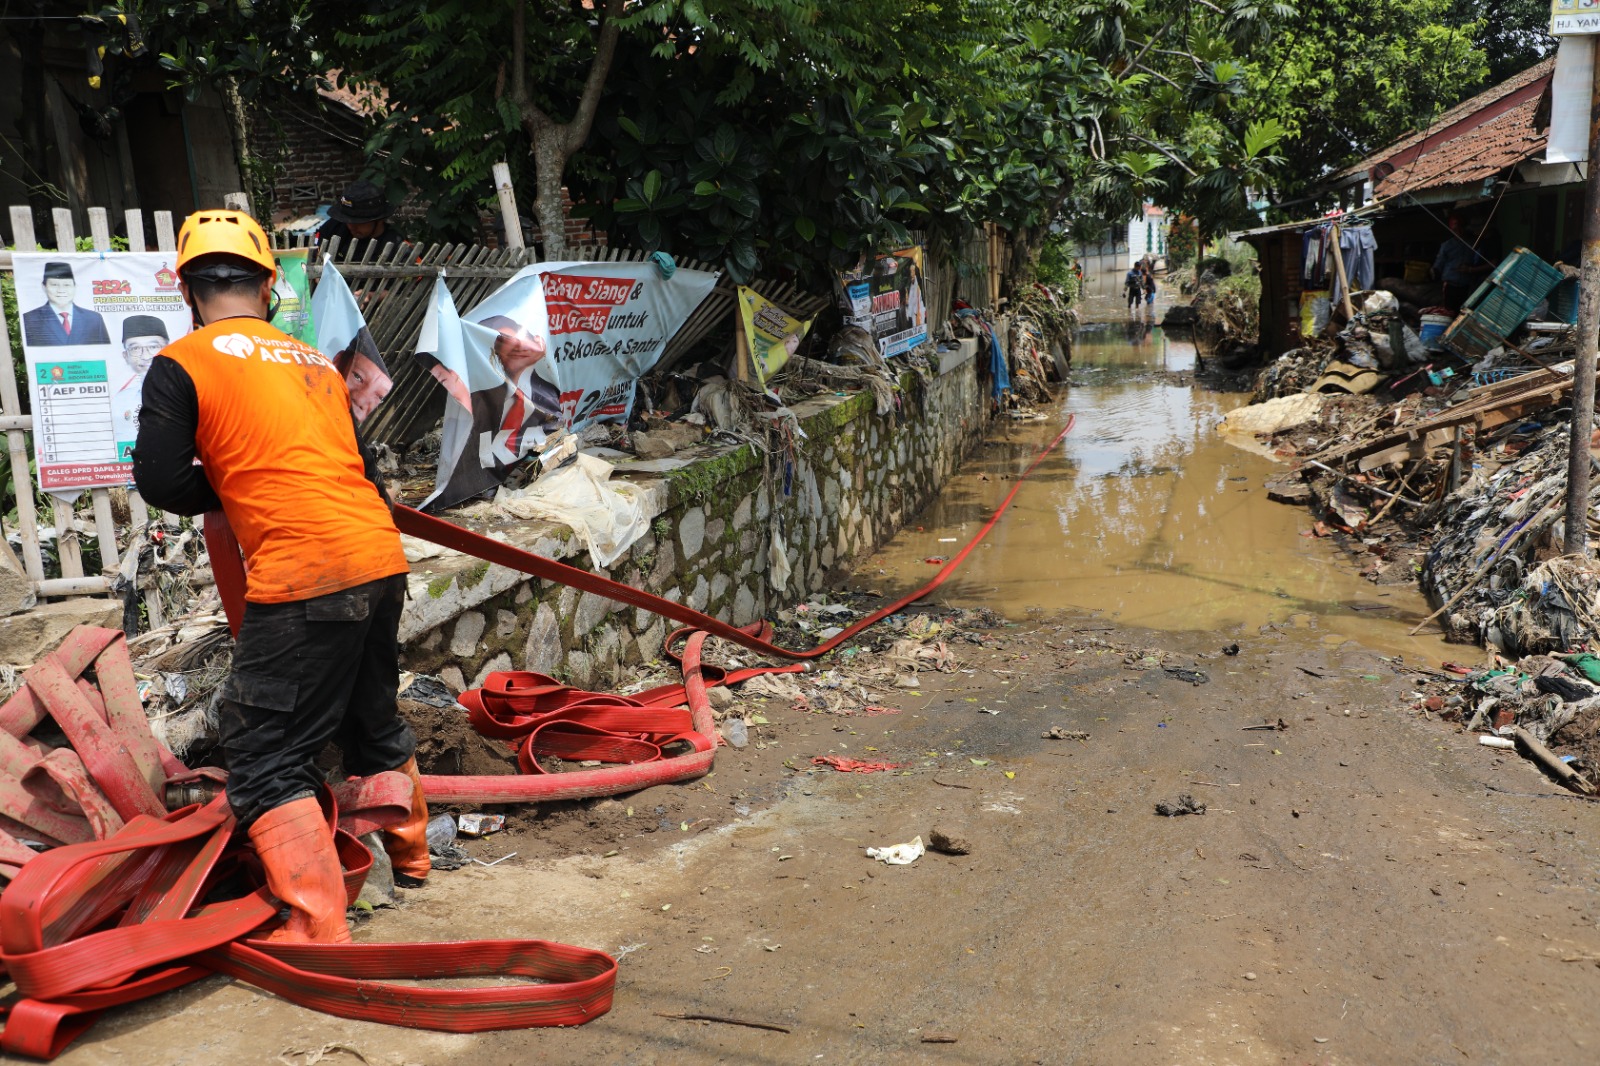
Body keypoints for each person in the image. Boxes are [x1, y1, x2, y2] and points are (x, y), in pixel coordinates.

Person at [131, 209, 430, 944]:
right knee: (370, 717)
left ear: (188, 290)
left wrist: (235, 488)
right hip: (378, 555)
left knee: (264, 753)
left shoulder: (184, 363)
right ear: (268, 284)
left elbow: (163, 480)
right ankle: (413, 857)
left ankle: (317, 924)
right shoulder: (315, 365)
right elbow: (356, 467)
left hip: (304, 574)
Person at [111, 315, 167, 456]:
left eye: (153, 347)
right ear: (126, 356)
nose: (145, 355)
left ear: (169, 349)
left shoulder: (189, 391)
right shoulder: (119, 400)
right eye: (135, 348)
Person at [22, 261, 111, 346]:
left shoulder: (94, 319)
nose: (61, 290)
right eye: (54, 285)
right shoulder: (29, 319)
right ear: (44, 287)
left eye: (67, 285)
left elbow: (105, 352)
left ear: (75, 287)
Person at [316, 180, 408, 258]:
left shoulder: (396, 245)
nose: (351, 226)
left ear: (379, 220)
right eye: (347, 220)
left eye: (359, 222)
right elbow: (313, 257)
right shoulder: (333, 229)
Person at [1432, 213, 1497, 311]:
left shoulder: (1474, 243)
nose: (1458, 231)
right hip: (1450, 285)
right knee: (1449, 311)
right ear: (1451, 229)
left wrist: (1470, 269)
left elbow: (1486, 261)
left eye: (1460, 227)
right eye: (1455, 229)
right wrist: (1432, 272)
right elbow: (1438, 266)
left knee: (1465, 311)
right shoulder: (1446, 246)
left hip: (1467, 285)